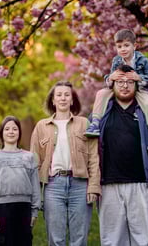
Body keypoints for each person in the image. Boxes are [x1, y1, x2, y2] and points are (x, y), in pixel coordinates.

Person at [97, 64, 148, 246]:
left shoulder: (147, 112)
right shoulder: (102, 113)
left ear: (136, 84)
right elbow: (88, 148)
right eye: (120, 81)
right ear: (113, 84)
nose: (124, 86)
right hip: (109, 186)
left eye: (129, 82)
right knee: (112, 241)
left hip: (143, 184)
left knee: (145, 240)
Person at [30, 81, 101, 246]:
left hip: (80, 185)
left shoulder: (84, 123)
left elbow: (93, 157)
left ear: (72, 100)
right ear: (53, 100)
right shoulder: (41, 126)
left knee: (79, 238)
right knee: (56, 239)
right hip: (53, 186)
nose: (63, 98)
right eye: (59, 95)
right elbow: (34, 162)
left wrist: (93, 186)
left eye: (67, 95)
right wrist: (35, 193)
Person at [85, 28, 148, 152]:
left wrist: (139, 78)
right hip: (120, 88)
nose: (123, 49)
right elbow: (111, 80)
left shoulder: (142, 60)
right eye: (119, 47)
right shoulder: (116, 60)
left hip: (140, 89)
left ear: (134, 46)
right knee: (101, 93)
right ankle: (95, 124)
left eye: (126, 45)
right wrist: (111, 78)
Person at [0, 116, 41, 246]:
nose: (11, 132)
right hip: (3, 208)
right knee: (4, 242)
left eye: (15, 129)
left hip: (24, 207)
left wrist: (34, 211)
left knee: (24, 242)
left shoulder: (28, 157)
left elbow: (35, 185)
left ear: (19, 132)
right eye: (7, 129)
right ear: (2, 133)